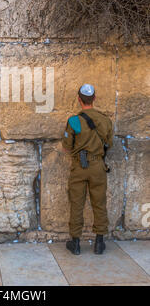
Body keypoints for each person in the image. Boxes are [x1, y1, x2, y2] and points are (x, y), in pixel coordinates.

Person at [62, 84, 113, 255]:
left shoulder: (74, 121)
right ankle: (99, 242)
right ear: (94, 98)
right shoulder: (105, 120)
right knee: (99, 203)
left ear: (79, 99)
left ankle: (75, 243)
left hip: (79, 166)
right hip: (98, 165)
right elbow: (109, 143)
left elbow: (67, 147)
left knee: (77, 203)